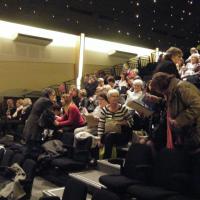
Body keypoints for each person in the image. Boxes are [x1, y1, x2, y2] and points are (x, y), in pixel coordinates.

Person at [151, 72, 200, 152]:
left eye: (158, 90)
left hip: (194, 131)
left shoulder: (182, 88)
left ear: (162, 86)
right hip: (187, 131)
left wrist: (179, 120)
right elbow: (175, 105)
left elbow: (197, 106)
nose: (159, 93)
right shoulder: (172, 89)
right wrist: (158, 100)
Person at [97, 89, 134, 159]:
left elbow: (131, 122)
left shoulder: (123, 109)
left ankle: (106, 159)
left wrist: (122, 122)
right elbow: (101, 125)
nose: (115, 98)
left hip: (121, 135)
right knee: (106, 137)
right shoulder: (104, 110)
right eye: (113, 96)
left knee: (109, 137)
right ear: (108, 98)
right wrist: (99, 139)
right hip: (108, 133)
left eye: (117, 96)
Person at [23, 88, 56, 159]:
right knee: (34, 147)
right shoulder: (47, 101)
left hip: (31, 123)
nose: (54, 97)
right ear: (49, 94)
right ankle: (32, 165)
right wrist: (55, 121)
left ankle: (25, 164)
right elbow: (49, 114)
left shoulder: (40, 99)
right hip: (35, 124)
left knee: (29, 147)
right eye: (53, 95)